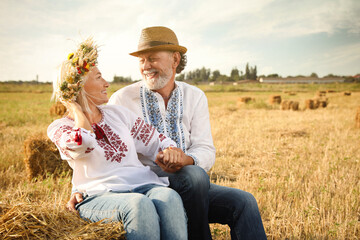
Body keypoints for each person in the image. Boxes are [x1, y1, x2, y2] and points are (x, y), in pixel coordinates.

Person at [69, 27, 267, 239]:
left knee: (243, 201)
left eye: (152, 59)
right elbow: (94, 148)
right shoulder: (122, 99)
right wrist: (78, 188)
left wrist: (186, 159)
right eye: (141, 60)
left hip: (192, 187)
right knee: (195, 176)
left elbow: (205, 148)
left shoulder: (195, 96)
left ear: (175, 59)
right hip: (141, 186)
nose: (146, 66)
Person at [48, 37, 187, 240]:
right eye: (98, 78)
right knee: (138, 205)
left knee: (169, 197)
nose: (106, 83)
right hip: (98, 195)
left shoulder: (118, 114)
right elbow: (84, 143)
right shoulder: (59, 128)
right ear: (78, 87)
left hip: (142, 185)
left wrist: (169, 149)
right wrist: (76, 108)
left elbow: (156, 139)